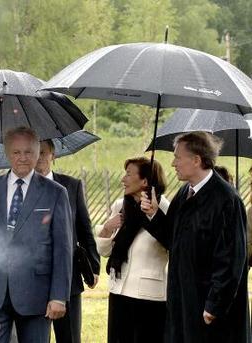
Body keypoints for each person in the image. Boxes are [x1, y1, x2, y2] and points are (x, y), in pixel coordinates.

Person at [0, 127, 73, 343]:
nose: (22, 158)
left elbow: (63, 249)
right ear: (6, 154)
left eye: (28, 152)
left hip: (36, 297)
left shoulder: (56, 193)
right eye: (16, 152)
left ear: (37, 153)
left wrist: (59, 296)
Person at [141, 132, 250, 343]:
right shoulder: (184, 193)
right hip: (183, 300)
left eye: (178, 157)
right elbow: (172, 239)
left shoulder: (226, 199)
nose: (173, 163)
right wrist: (153, 214)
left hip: (209, 308)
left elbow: (232, 259)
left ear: (196, 160)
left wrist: (214, 304)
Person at [97, 157, 169, 343]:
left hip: (149, 295)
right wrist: (106, 228)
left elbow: (171, 243)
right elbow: (105, 252)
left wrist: (153, 215)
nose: (123, 179)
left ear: (145, 181)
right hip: (119, 290)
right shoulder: (121, 206)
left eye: (129, 174)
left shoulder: (164, 207)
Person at [35, 139, 100, 343]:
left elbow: (84, 229)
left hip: (68, 278)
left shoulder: (71, 185)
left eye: (43, 153)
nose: (39, 158)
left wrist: (94, 264)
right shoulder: (22, 190)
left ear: (53, 155)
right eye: (34, 153)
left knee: (69, 337)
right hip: (33, 279)